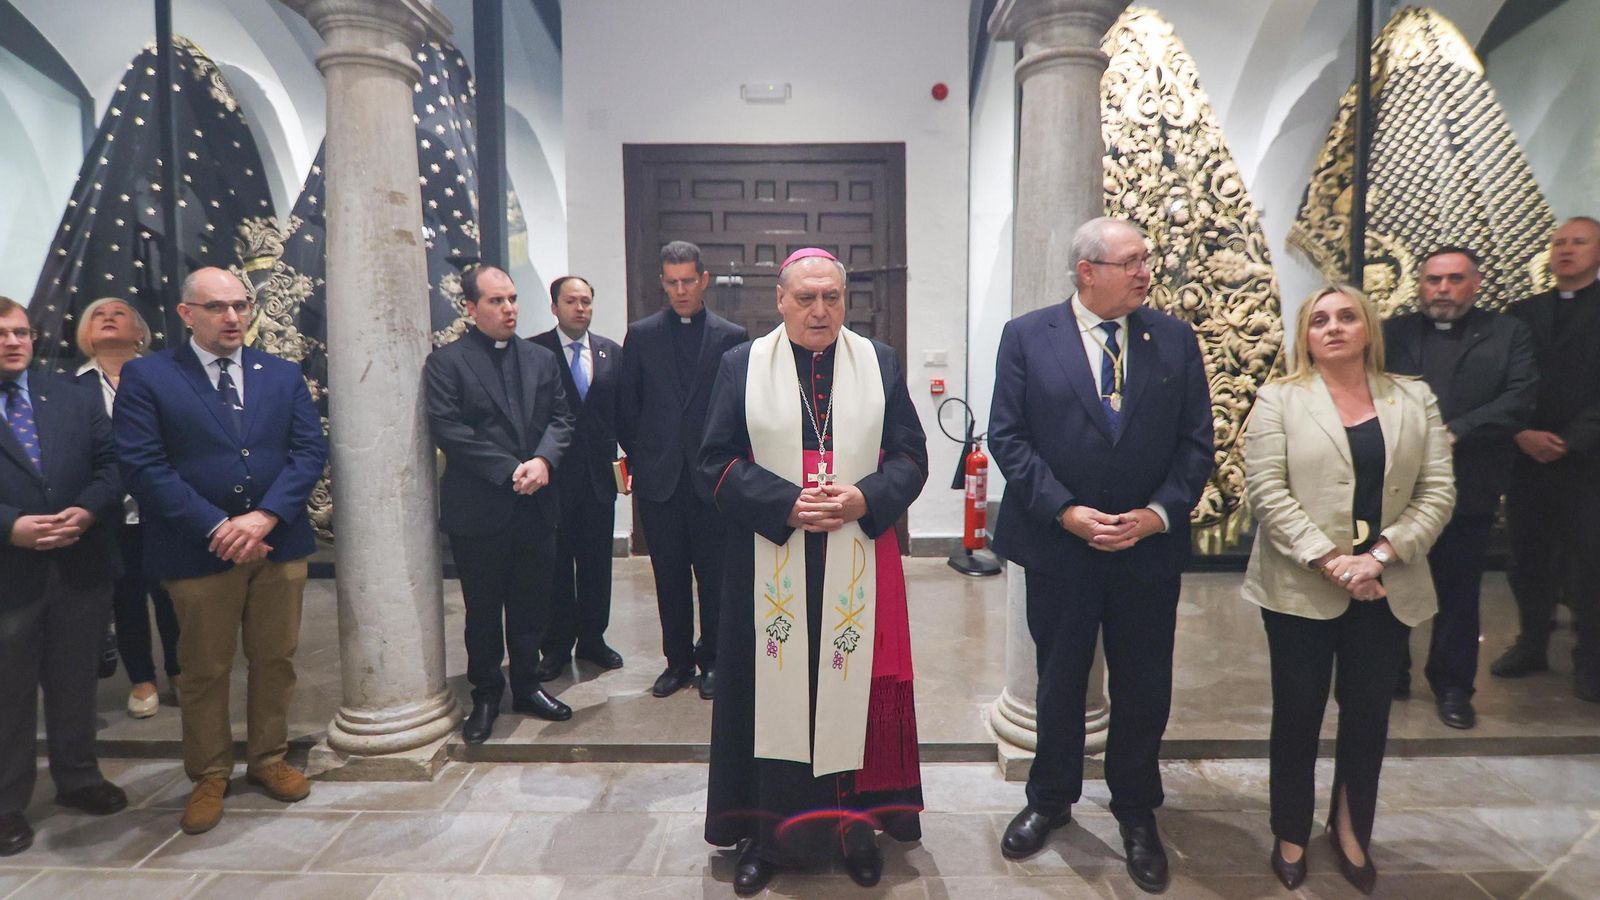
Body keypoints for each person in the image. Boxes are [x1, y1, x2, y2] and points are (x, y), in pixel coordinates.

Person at [987, 217, 1213, 893]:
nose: (1146, 271)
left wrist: (1155, 515)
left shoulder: (1173, 338)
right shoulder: (1028, 336)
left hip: (1146, 550)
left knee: (1144, 686)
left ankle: (1136, 810)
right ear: (1088, 271)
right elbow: (1009, 436)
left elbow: (1196, 443)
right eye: (1132, 261)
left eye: (1146, 260)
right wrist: (1066, 511)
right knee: (1059, 682)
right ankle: (1050, 799)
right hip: (1062, 547)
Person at [701, 249, 927, 895]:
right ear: (780, 300)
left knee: (846, 698)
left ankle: (853, 830)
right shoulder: (740, 366)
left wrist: (866, 497)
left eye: (831, 297)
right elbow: (712, 462)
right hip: (770, 558)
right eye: (806, 298)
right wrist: (782, 502)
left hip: (853, 551)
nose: (820, 310)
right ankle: (768, 837)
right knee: (773, 696)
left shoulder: (878, 362)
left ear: (845, 300)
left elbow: (911, 455)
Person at [1242, 285, 1454, 893]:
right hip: (1301, 584)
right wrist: (1334, 561)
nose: (1333, 327)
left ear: (1368, 328)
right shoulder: (1279, 399)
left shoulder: (1413, 399)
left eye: (1346, 316)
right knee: (1298, 712)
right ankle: (1289, 829)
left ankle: (1350, 826)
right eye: (1318, 320)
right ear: (1304, 336)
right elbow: (1267, 492)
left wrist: (1379, 557)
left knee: (1367, 716)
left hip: (1388, 586)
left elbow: (1436, 491)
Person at [115, 268, 328, 835]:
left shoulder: (280, 374)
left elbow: (309, 452)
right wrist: (216, 525)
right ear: (187, 314)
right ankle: (209, 773)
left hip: (277, 543)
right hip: (197, 547)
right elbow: (142, 463)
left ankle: (268, 758)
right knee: (204, 668)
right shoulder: (150, 376)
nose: (233, 317)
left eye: (241, 305)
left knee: (275, 657)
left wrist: (265, 516)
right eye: (217, 307)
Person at [1384, 248, 1536, 728]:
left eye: (1453, 280)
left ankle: (1452, 687)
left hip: (1468, 482)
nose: (1442, 290)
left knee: (1457, 590)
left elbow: (1520, 397)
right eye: (1433, 280)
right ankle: (1390, 675)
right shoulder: (1395, 332)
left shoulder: (1508, 333)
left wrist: (1460, 429)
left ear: (1476, 283)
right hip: (1399, 485)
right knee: (1392, 582)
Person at [425, 265, 576, 744]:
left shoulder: (540, 358)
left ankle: (528, 686)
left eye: (512, 299)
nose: (509, 308)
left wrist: (544, 461)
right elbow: (449, 429)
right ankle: (486, 693)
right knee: (484, 611)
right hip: (481, 507)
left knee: (533, 606)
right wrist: (511, 469)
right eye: (496, 301)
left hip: (537, 504)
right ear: (470, 308)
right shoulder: (446, 363)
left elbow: (561, 417)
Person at [0, 296, 128, 857]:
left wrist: (88, 509)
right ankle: (6, 803)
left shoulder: (71, 397)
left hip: (78, 562)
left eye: (22, 332)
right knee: (9, 693)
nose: (13, 342)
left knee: (76, 680)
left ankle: (78, 778)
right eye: (2, 334)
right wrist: (10, 527)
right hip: (8, 571)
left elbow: (114, 463)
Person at [618, 241, 749, 699]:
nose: (680, 290)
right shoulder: (642, 334)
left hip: (713, 482)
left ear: (704, 280)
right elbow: (627, 405)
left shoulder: (731, 336)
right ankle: (676, 661)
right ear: (662, 283)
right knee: (668, 576)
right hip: (660, 482)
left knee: (714, 578)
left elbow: (740, 410)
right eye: (672, 282)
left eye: (688, 281)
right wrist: (644, 456)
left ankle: (712, 659)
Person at [1493, 216, 1600, 702]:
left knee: (1590, 563)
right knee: (1529, 558)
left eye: (1579, 242)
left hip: (1589, 462)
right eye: (1558, 242)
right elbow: (1502, 381)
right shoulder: (1520, 314)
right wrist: (1520, 431)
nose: (1566, 250)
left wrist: (1573, 438)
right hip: (1527, 459)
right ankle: (1531, 643)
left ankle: (1591, 660)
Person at [75, 297, 182, 719]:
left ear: (140, 331)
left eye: (118, 313)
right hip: (112, 513)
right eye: (97, 314)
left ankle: (181, 671)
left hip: (166, 507)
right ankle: (142, 678)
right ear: (85, 334)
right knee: (127, 597)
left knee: (174, 594)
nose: (107, 317)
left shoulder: (169, 376)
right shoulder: (71, 387)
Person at [531, 275, 625, 680]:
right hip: (552, 479)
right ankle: (554, 646)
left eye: (586, 300)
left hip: (597, 479)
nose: (580, 308)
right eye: (571, 301)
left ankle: (592, 640)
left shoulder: (610, 353)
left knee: (595, 563)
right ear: (555, 307)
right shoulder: (534, 351)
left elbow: (623, 412)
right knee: (554, 566)